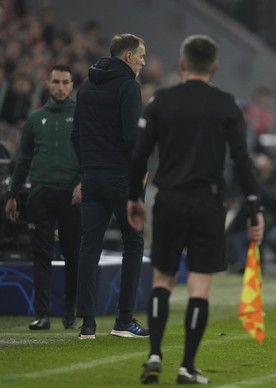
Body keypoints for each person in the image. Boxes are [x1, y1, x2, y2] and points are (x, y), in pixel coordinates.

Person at [126, 35, 264, 385]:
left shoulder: (161, 101)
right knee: (200, 286)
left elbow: (139, 155)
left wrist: (133, 198)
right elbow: (242, 160)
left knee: (163, 279)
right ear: (214, 67)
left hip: (169, 198)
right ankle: (187, 366)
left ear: (182, 64)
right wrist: (254, 206)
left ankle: (154, 353)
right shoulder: (226, 105)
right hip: (208, 202)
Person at [71, 33, 149, 340]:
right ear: (128, 57)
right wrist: (141, 170)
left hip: (92, 176)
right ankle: (124, 321)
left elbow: (75, 136)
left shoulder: (87, 86)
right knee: (133, 243)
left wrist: (87, 167)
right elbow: (132, 136)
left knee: (89, 247)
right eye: (141, 56)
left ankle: (87, 324)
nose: (144, 61)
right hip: (121, 178)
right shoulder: (129, 86)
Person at [4, 64, 81, 330]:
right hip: (41, 193)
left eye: (65, 82)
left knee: (73, 255)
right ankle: (43, 314)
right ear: (48, 84)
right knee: (41, 255)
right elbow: (22, 160)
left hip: (72, 194)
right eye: (56, 82)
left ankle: (70, 310)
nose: (60, 87)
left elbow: (89, 154)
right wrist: (12, 194)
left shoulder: (81, 116)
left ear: (71, 86)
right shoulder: (35, 119)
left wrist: (83, 183)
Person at [229, 153, 276, 275]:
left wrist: (257, 186)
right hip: (267, 223)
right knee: (239, 237)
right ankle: (246, 265)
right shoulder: (256, 184)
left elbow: (275, 197)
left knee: (274, 238)